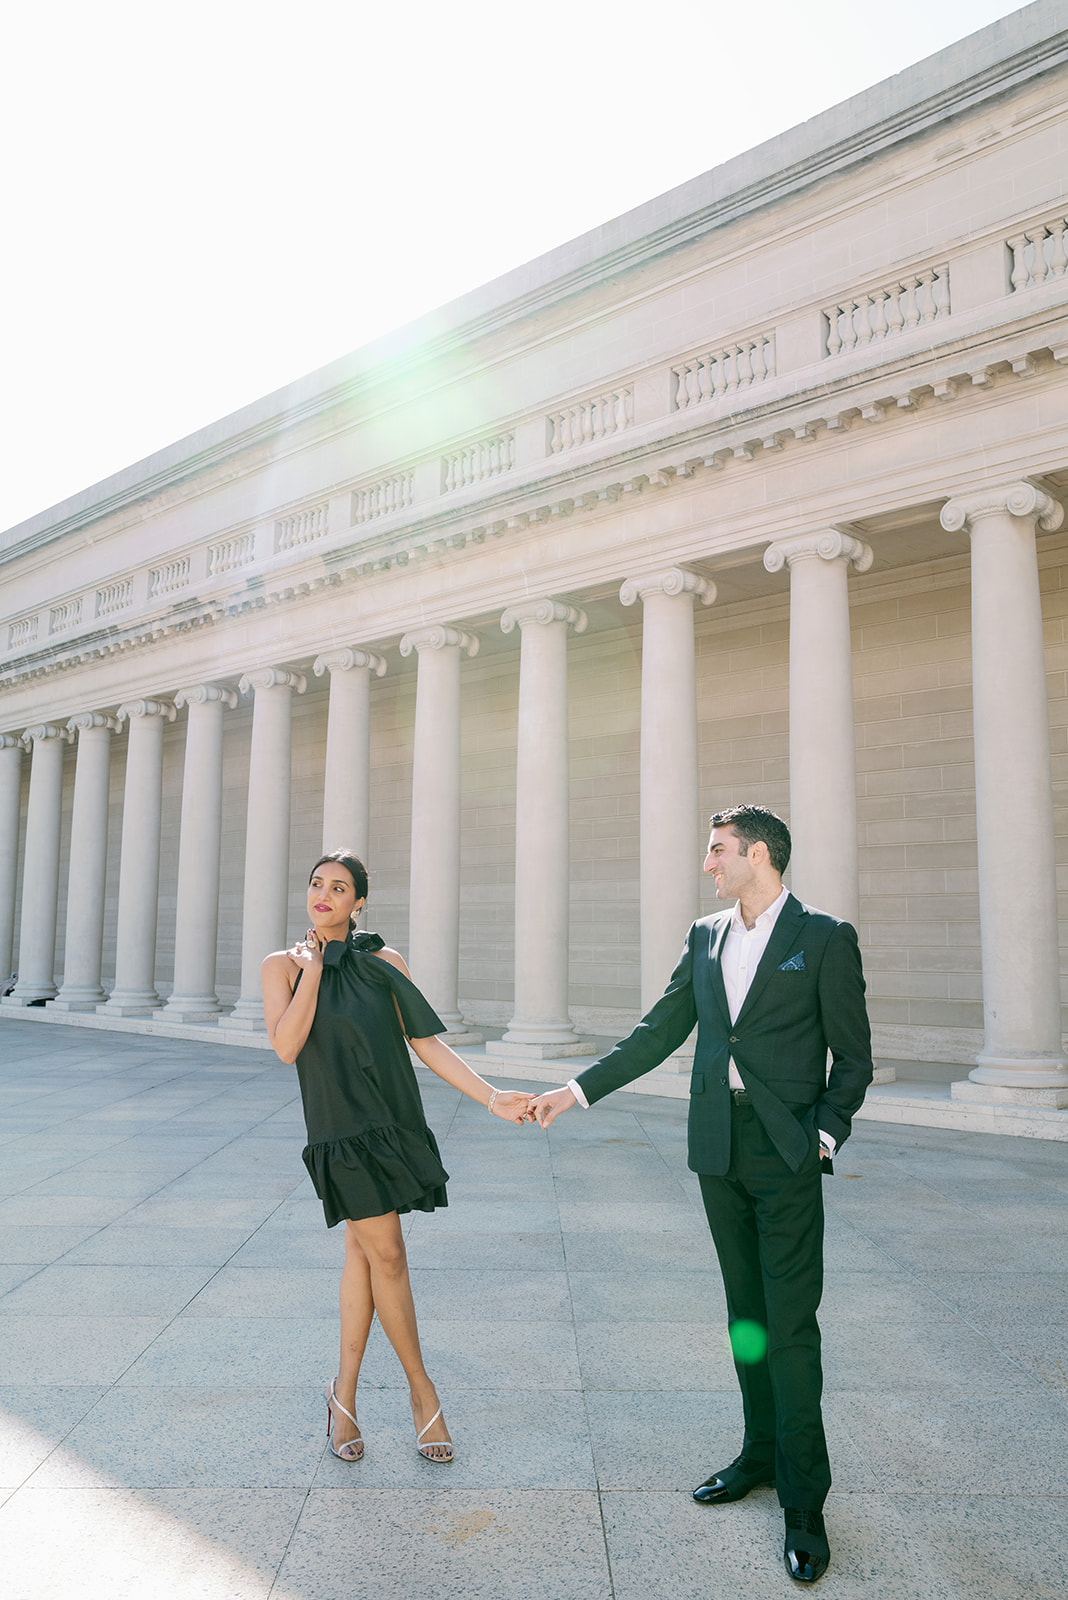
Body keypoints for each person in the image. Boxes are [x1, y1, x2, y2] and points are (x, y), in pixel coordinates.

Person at [532, 805, 872, 1585]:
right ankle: (758, 1455)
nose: (709, 864)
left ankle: (804, 1500)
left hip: (786, 1153)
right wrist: (576, 1091)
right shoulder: (705, 935)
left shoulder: (823, 938)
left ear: (758, 854)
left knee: (789, 1325)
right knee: (746, 1316)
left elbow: (853, 1058)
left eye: (718, 851)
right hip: (718, 1149)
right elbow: (658, 1030)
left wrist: (821, 1136)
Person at [262, 848, 534, 1466]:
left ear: (359, 902)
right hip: (340, 1132)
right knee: (387, 1252)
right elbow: (286, 1045)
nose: (323, 895)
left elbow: (425, 1043)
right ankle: (422, 1391)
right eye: (315, 885)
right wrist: (312, 971)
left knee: (366, 1254)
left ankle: (345, 1396)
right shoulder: (281, 966)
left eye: (339, 887)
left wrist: (491, 1098)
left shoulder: (386, 962)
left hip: (392, 1124)